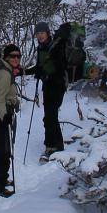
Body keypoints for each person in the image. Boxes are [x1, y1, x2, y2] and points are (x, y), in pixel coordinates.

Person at [0, 44, 21, 197]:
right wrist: (5, 116)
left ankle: (2, 178)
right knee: (1, 149)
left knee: (5, 148)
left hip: (1, 114)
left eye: (18, 56)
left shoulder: (8, 70)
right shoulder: (5, 74)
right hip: (0, 115)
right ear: (6, 57)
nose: (16, 58)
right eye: (12, 56)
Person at [33, 25, 67, 160]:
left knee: (50, 116)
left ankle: (55, 146)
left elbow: (60, 69)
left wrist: (47, 75)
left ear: (47, 33)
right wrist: (22, 72)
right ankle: (52, 145)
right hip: (48, 86)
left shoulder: (55, 48)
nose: (40, 35)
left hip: (57, 86)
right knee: (49, 116)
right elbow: (39, 67)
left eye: (42, 33)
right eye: (38, 33)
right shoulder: (41, 48)